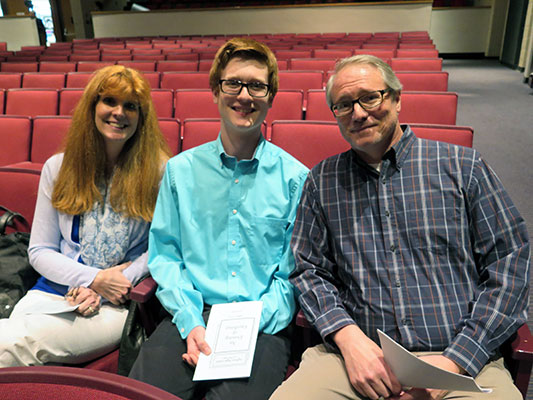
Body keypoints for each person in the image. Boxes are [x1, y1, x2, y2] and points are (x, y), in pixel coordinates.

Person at [270, 55, 530, 400]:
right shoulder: (323, 180)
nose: (359, 113)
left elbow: (510, 264)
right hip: (356, 356)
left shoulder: (463, 167)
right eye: (344, 105)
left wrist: (457, 360)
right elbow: (308, 270)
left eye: (370, 97)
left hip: (461, 358)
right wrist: (348, 339)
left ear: (396, 98)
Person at [128, 37, 309, 399]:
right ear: (215, 91)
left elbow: (291, 274)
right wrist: (191, 319)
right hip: (191, 314)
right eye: (233, 83)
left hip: (260, 325)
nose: (245, 95)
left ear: (271, 97)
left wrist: (248, 323)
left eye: (257, 86)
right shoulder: (180, 171)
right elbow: (166, 256)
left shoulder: (295, 178)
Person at [0, 65, 171, 367]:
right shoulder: (58, 168)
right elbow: (40, 251)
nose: (119, 113)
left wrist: (108, 287)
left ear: (141, 118)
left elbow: (162, 249)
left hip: (115, 305)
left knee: (11, 345)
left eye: (130, 106)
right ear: (92, 107)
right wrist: (93, 278)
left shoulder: (159, 173)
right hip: (53, 290)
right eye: (109, 101)